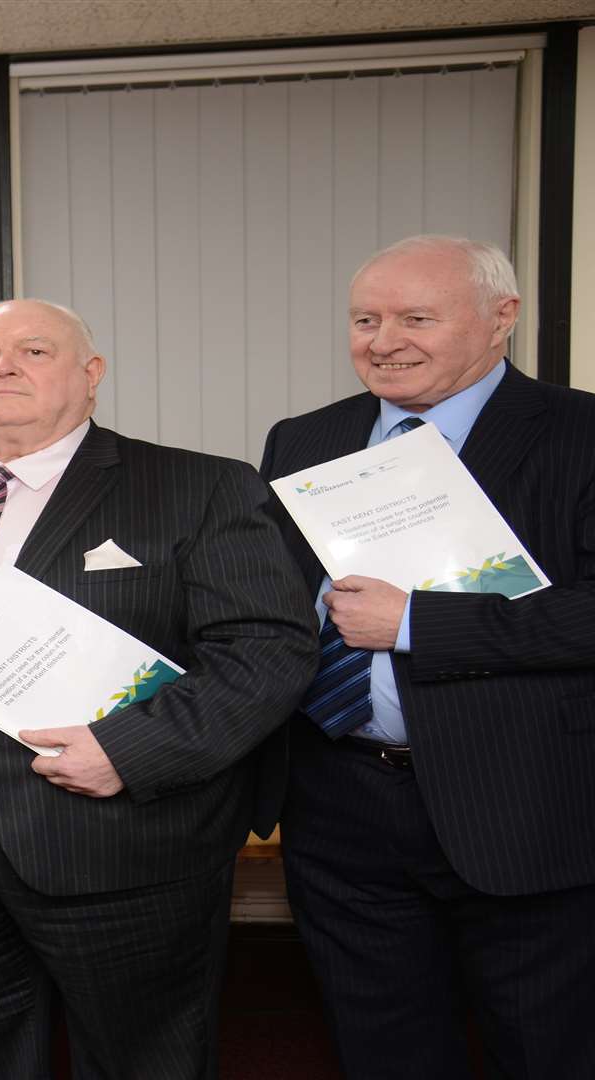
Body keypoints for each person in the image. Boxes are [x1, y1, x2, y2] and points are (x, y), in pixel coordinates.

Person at [0, 298, 316, 1078]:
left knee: (141, 1049)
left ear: (91, 376)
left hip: (104, 809)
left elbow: (267, 652)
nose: (3, 366)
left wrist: (132, 751)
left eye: (34, 351)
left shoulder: (199, 486)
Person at [259, 236, 595, 1078]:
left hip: (523, 809)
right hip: (337, 803)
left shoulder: (583, 433)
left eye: (416, 317)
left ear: (501, 318)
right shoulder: (305, 439)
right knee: (382, 1050)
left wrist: (418, 625)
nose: (383, 339)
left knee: (544, 1050)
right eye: (365, 319)